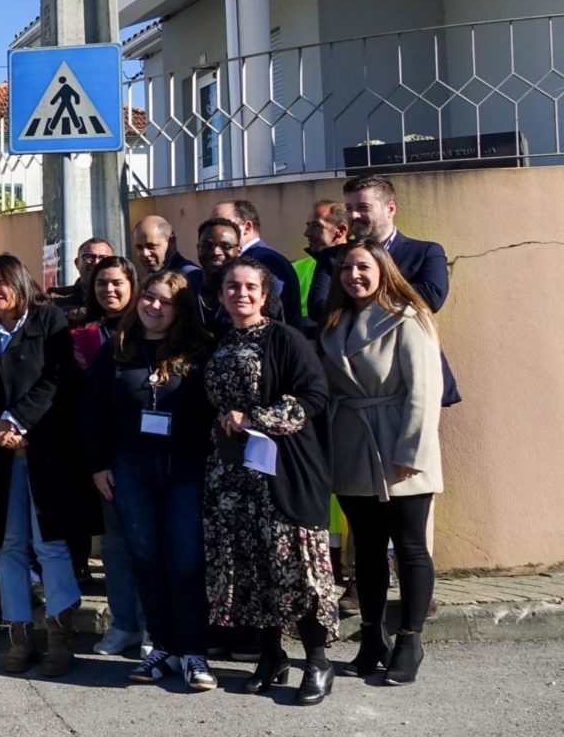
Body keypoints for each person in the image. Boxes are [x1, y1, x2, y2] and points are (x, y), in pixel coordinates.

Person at [203, 256, 337, 704]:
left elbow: (313, 397)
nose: (240, 294)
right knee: (251, 568)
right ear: (221, 295)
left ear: (265, 295)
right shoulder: (219, 342)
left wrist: (254, 418)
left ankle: (317, 661)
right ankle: (270, 655)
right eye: (231, 287)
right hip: (233, 476)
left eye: (249, 288)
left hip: (282, 472)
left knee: (297, 569)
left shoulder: (285, 338)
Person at [0, 254, 90, 677]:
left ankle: (60, 638)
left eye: (1, 281)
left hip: (45, 449)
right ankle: (20, 634)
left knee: (50, 543)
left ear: (20, 282)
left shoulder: (49, 322)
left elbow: (57, 379)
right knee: (7, 545)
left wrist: (18, 419)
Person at [83, 270, 217, 691]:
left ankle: (193, 650)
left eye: (164, 301)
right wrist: (99, 463)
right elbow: (92, 409)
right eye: (148, 298)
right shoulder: (118, 349)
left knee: (185, 560)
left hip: (185, 471)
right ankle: (163, 647)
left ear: (179, 309)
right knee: (146, 558)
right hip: (131, 470)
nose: (153, 307)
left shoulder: (199, 350)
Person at [319, 238, 443, 686]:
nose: (354, 275)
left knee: (409, 546)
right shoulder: (333, 323)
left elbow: (425, 392)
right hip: (352, 444)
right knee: (366, 552)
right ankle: (372, 639)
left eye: (363, 267)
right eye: (347, 268)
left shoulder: (409, 318)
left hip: (398, 445)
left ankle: (410, 640)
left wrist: (411, 453)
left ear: (384, 270)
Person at [70, 254, 147, 657]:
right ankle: (124, 625)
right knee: (116, 544)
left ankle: (154, 626)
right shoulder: (85, 334)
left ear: (133, 285)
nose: (110, 290)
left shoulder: (151, 330)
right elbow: (87, 406)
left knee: (150, 543)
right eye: (102, 283)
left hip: (152, 456)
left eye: (117, 282)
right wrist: (98, 462)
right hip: (109, 458)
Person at [342, 174, 459, 406]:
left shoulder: (424, 252)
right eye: (349, 208)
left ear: (390, 209)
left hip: (409, 377)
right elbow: (320, 305)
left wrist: (364, 291)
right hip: (353, 383)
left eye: (363, 207)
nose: (354, 215)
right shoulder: (333, 257)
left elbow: (431, 298)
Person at [211, 200, 302, 324]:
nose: (215, 230)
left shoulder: (268, 261)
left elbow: (268, 312)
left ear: (247, 228)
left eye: (223, 224)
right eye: (212, 225)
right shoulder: (236, 261)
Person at [295, 200, 350, 325]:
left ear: (340, 230)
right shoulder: (297, 267)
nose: (307, 233)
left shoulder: (357, 268)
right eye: (308, 225)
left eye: (317, 226)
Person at [48, 238, 114, 315]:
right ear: (77, 263)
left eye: (103, 258)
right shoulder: (53, 299)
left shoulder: (122, 297)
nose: (96, 262)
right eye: (89, 257)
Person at [131, 215, 201, 288]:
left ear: (171, 241)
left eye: (151, 246)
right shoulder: (148, 280)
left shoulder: (191, 277)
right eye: (139, 247)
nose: (145, 253)